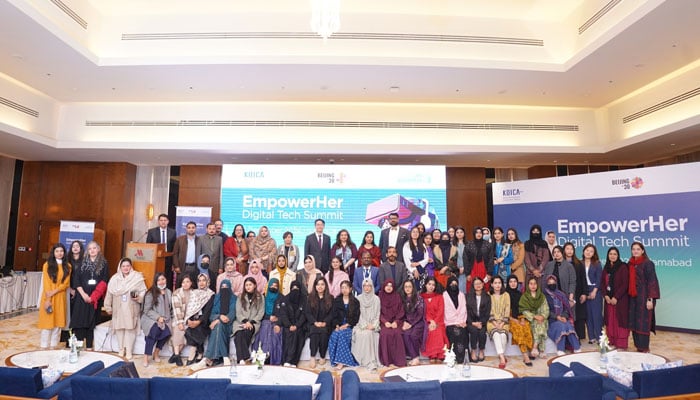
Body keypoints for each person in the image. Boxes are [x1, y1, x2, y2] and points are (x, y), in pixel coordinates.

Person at [104, 257, 146, 360]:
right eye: (123, 266)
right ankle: (121, 349)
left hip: (131, 307)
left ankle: (129, 350)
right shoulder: (114, 279)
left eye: (128, 266)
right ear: (120, 267)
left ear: (131, 267)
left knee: (130, 329)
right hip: (118, 308)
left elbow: (143, 291)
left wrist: (139, 297)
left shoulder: (137, 277)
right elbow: (109, 293)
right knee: (119, 329)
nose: (126, 268)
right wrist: (108, 306)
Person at [70, 241, 109, 349]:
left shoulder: (104, 263)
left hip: (95, 298)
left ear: (98, 249)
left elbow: (104, 281)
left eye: (94, 248)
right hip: (81, 297)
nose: (92, 250)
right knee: (80, 322)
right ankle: (78, 347)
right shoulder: (82, 262)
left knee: (91, 323)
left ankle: (89, 347)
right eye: (90, 248)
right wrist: (83, 295)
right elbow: (76, 280)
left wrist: (93, 297)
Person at [192, 279, 237, 369]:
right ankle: (225, 357)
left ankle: (207, 358)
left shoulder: (234, 299)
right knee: (218, 326)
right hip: (217, 324)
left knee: (218, 326)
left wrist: (218, 320)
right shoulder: (216, 298)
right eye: (222, 287)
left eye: (226, 287)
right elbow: (211, 314)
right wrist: (219, 317)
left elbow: (232, 314)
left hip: (229, 325)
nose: (224, 289)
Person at [627, 242, 660, 352]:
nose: (635, 251)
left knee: (643, 323)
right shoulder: (630, 264)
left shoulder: (648, 263)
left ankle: (644, 348)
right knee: (634, 323)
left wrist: (650, 299)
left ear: (642, 251)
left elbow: (652, 282)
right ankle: (638, 347)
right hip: (633, 298)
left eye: (638, 249)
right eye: (633, 249)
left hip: (644, 297)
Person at [39, 243, 72, 349]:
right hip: (48, 297)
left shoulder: (68, 266)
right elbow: (46, 283)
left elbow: (66, 284)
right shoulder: (47, 265)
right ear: (53, 253)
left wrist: (54, 291)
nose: (59, 253)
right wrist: (48, 299)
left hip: (60, 297)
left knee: (58, 323)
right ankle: (44, 346)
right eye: (57, 251)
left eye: (61, 251)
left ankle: (53, 345)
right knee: (47, 324)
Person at [544, 275, 581, 355]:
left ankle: (576, 348)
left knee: (568, 325)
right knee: (562, 326)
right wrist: (557, 317)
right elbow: (545, 311)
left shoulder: (561, 294)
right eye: (549, 283)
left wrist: (564, 316)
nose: (552, 284)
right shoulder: (544, 295)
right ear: (546, 284)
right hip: (551, 320)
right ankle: (560, 349)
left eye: (553, 283)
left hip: (562, 318)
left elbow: (566, 308)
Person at [183, 274, 215, 365]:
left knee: (198, 329)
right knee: (189, 329)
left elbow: (208, 311)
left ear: (207, 281)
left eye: (203, 280)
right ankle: (200, 351)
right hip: (193, 318)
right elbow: (190, 308)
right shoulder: (194, 292)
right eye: (199, 280)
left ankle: (193, 352)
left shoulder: (211, 294)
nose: (201, 283)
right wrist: (189, 319)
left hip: (204, 320)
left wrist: (198, 321)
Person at [140, 273, 172, 367]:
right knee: (153, 331)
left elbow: (171, 308)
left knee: (167, 333)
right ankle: (146, 356)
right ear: (155, 281)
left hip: (166, 318)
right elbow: (147, 310)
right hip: (150, 318)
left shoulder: (169, 292)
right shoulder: (151, 293)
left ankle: (156, 352)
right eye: (159, 280)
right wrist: (158, 317)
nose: (161, 282)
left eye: (163, 279)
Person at [602, 247, 630, 350]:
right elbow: (602, 283)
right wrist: (605, 295)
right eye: (610, 254)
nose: (612, 256)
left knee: (620, 322)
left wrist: (616, 297)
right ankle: (612, 342)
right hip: (608, 301)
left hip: (620, 301)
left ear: (618, 256)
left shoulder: (622, 267)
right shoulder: (606, 267)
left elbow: (625, 284)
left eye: (614, 254)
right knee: (610, 321)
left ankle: (621, 344)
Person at [328, 280, 359, 370]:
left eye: (346, 287)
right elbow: (333, 315)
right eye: (342, 288)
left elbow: (356, 317)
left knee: (341, 334)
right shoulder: (336, 301)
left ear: (350, 289)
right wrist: (337, 325)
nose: (344, 290)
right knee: (334, 335)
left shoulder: (355, 302)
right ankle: (334, 360)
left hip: (350, 326)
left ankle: (341, 362)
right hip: (339, 325)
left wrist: (347, 325)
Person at [233, 277, 265, 363]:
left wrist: (250, 322)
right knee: (239, 335)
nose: (248, 287)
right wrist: (245, 321)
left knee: (247, 332)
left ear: (254, 285)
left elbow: (261, 313)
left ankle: (241, 359)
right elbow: (238, 312)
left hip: (254, 323)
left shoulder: (260, 297)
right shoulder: (240, 297)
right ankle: (244, 358)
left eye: (250, 284)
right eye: (246, 285)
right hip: (240, 322)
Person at [352, 279, 381, 371]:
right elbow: (358, 315)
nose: (366, 288)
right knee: (366, 334)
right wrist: (365, 325)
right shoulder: (358, 298)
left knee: (374, 335)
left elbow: (377, 315)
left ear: (372, 287)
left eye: (369, 286)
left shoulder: (376, 299)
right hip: (361, 325)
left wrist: (373, 325)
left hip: (373, 325)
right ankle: (368, 361)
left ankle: (373, 361)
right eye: (364, 286)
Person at [252, 278, 283, 365]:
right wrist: (269, 317)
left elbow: (284, 313)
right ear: (268, 286)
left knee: (275, 333)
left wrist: (278, 320)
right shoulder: (263, 297)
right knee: (264, 331)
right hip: (265, 320)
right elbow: (259, 311)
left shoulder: (281, 297)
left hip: (278, 322)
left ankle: (274, 358)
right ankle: (262, 357)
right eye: (272, 285)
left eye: (276, 286)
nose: (273, 287)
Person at [306, 277, 334, 368]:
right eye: (318, 284)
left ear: (325, 286)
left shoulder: (330, 298)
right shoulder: (310, 297)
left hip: (326, 324)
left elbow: (332, 313)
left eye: (322, 284)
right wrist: (314, 322)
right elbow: (308, 313)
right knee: (314, 332)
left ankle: (322, 356)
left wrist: (325, 322)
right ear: (315, 286)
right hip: (313, 323)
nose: (320, 286)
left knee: (324, 332)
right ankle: (312, 357)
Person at [278, 280, 307, 367]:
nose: (295, 290)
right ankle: (286, 360)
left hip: (300, 325)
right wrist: (289, 325)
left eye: (297, 288)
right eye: (293, 288)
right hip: (288, 325)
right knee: (289, 335)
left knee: (298, 336)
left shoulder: (304, 299)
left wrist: (297, 325)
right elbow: (283, 314)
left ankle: (293, 361)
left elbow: (304, 314)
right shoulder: (285, 299)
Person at [506, 274, 533, 366]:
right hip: (509, 319)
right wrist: (513, 319)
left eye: (515, 282)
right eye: (511, 282)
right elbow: (504, 311)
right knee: (519, 329)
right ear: (508, 283)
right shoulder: (505, 295)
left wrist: (522, 318)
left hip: (520, 317)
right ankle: (525, 356)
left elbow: (523, 308)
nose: (513, 284)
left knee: (526, 326)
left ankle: (530, 350)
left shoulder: (520, 294)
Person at [564, 242, 589, 341]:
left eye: (571, 249)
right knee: (567, 314)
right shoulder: (561, 263)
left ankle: (578, 337)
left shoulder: (579, 263)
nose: (569, 251)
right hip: (565, 293)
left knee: (578, 315)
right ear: (564, 251)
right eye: (567, 249)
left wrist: (584, 293)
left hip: (578, 293)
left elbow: (584, 280)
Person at [519, 277, 549, 358]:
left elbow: (546, 309)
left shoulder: (542, 296)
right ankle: (541, 350)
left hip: (541, 318)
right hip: (530, 319)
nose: (533, 286)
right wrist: (535, 316)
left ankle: (535, 347)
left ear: (537, 285)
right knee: (537, 324)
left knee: (541, 323)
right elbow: (524, 311)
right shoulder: (524, 297)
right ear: (528, 285)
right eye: (531, 284)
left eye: (535, 284)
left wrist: (542, 316)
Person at [420, 277, 449, 362]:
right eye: (429, 284)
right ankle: (432, 355)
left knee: (438, 330)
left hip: (438, 321)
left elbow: (441, 311)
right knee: (430, 330)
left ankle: (440, 354)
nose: (431, 286)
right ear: (425, 285)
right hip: (426, 321)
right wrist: (430, 320)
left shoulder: (439, 297)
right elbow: (422, 311)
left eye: (433, 285)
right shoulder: (421, 297)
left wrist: (435, 321)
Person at [146, 213, 177, 290]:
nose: (163, 222)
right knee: (157, 278)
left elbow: (174, 248)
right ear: (158, 221)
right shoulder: (151, 232)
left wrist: (174, 262)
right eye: (161, 220)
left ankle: (167, 294)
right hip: (156, 260)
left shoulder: (173, 232)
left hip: (168, 259)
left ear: (168, 221)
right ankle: (155, 293)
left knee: (168, 278)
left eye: (165, 220)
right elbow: (148, 247)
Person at [543, 246, 577, 312]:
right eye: (554, 252)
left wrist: (571, 297)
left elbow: (572, 282)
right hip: (551, 296)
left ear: (562, 253)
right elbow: (545, 280)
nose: (556, 254)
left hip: (566, 295)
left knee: (566, 316)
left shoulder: (569, 266)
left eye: (558, 252)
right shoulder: (549, 265)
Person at [170, 275, 194, 366]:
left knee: (187, 333)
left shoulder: (194, 293)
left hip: (188, 319)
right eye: (183, 282)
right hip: (178, 317)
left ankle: (175, 355)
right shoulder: (177, 293)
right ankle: (177, 355)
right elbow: (177, 309)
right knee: (178, 329)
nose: (185, 284)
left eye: (187, 282)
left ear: (191, 283)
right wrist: (180, 322)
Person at [581, 244, 603, 343]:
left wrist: (594, 291)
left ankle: (599, 337)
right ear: (584, 251)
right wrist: (584, 293)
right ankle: (591, 337)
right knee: (588, 315)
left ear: (594, 253)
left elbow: (599, 278)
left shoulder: (597, 263)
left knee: (596, 315)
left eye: (591, 251)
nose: (588, 252)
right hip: (584, 291)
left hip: (595, 290)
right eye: (587, 250)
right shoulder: (580, 263)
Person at [400, 280, 425, 366]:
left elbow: (420, 314)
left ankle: (416, 357)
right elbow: (401, 313)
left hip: (418, 322)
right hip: (408, 322)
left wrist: (411, 324)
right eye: (406, 287)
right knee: (406, 334)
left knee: (413, 335)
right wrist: (404, 322)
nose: (407, 289)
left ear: (413, 288)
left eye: (409, 286)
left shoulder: (418, 298)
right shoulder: (402, 298)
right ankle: (414, 357)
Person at [443, 276, 468, 364]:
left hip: (461, 322)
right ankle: (452, 357)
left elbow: (463, 309)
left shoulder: (461, 295)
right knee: (455, 332)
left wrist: (461, 322)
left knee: (462, 331)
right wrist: (455, 322)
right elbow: (446, 311)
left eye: (455, 284)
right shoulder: (444, 295)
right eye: (451, 284)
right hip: (449, 322)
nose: (453, 285)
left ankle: (461, 357)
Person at [487, 276, 510, 368]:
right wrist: (495, 323)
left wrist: (503, 323)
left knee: (503, 335)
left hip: (504, 321)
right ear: (492, 284)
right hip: (491, 321)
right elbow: (487, 310)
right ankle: (502, 357)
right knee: (496, 334)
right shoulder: (488, 295)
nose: (497, 285)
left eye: (499, 283)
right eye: (495, 283)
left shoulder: (506, 295)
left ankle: (501, 355)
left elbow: (507, 309)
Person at [466, 277, 491, 362]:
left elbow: (487, 312)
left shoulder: (487, 297)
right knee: (474, 331)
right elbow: (466, 312)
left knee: (482, 332)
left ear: (483, 284)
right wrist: (472, 323)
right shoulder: (468, 296)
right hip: (471, 322)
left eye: (480, 283)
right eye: (476, 284)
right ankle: (473, 351)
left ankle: (481, 350)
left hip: (482, 321)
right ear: (473, 285)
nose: (478, 285)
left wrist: (481, 323)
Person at [465, 227, 494, 293]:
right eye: (476, 232)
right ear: (474, 234)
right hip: (472, 269)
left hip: (484, 269)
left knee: (485, 287)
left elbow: (491, 259)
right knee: (472, 287)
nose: (478, 234)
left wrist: (489, 273)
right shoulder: (469, 245)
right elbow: (466, 259)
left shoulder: (488, 245)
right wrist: (467, 274)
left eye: (480, 232)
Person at [198, 222, 224, 287]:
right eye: (210, 229)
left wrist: (221, 267)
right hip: (204, 266)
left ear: (215, 230)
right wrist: (199, 266)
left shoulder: (219, 239)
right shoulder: (201, 238)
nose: (211, 230)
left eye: (213, 229)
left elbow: (221, 254)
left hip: (215, 267)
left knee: (213, 284)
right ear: (206, 229)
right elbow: (198, 254)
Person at [403, 226, 427, 291]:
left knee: (422, 289)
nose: (415, 233)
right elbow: (407, 260)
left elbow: (426, 259)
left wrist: (418, 263)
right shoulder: (407, 245)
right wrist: (414, 270)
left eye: (417, 232)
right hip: (411, 271)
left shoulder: (423, 245)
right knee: (413, 289)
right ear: (410, 233)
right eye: (413, 232)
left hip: (422, 270)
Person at [452, 226, 468, 294]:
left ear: (464, 233)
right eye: (457, 232)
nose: (459, 234)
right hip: (455, 271)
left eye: (461, 232)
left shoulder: (468, 244)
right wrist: (456, 269)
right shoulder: (452, 245)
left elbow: (471, 259)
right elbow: (450, 259)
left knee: (465, 290)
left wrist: (465, 267)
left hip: (466, 270)